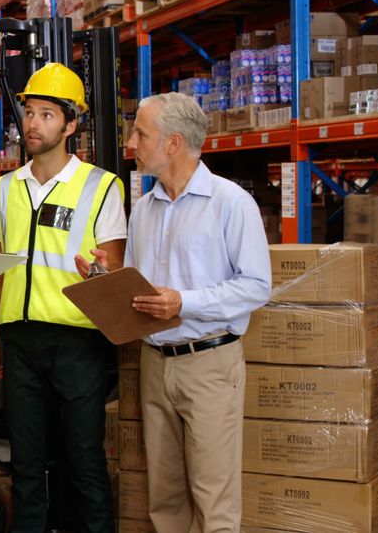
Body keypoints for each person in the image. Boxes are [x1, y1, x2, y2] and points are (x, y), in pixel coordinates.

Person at [77, 92, 270, 533]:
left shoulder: (230, 202)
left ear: (173, 143)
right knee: (164, 498)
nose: (131, 142)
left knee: (213, 496)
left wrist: (186, 301)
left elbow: (257, 285)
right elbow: (141, 284)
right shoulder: (144, 209)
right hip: (155, 363)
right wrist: (106, 278)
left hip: (209, 363)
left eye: (141, 133)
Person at [0, 62, 127, 533]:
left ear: (71, 124)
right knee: (25, 462)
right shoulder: (5, 188)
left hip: (77, 344)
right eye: (29, 112)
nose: (34, 123)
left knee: (83, 461)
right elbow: (2, 269)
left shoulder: (102, 187)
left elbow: (115, 271)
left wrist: (99, 273)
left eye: (46, 114)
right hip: (20, 344)